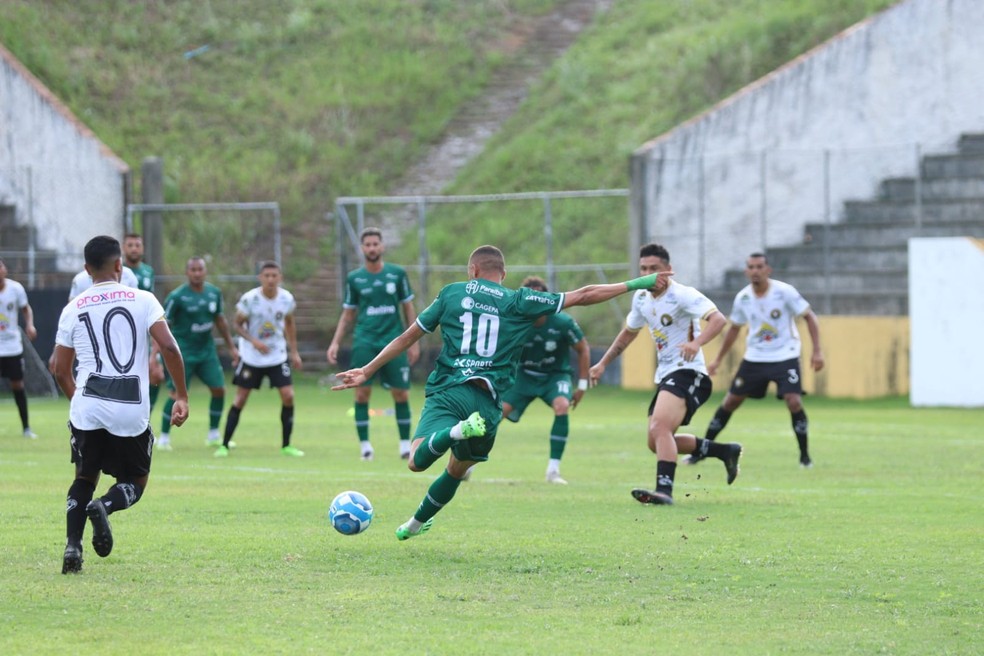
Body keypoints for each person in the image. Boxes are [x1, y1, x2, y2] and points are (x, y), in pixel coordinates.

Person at [332, 245, 671, 540]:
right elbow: (583, 295)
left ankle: (452, 432)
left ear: (472, 270)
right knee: (455, 470)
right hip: (488, 405)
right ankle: (415, 525)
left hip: (451, 389)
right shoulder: (519, 300)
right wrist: (639, 282)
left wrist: (367, 369)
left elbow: (408, 337)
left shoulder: (451, 293)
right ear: (503, 273)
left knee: (417, 460)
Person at [53, 235, 188, 574]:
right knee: (136, 480)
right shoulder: (143, 299)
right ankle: (106, 506)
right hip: (131, 407)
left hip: (89, 405)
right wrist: (181, 395)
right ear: (119, 265)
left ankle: (73, 546)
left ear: (86, 270)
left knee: (84, 476)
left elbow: (59, 368)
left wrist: (77, 403)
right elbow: (169, 348)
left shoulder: (73, 307)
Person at [588, 243, 741, 506]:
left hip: (689, 373)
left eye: (654, 269)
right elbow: (628, 333)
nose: (649, 274)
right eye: (644, 269)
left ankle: (664, 492)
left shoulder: (683, 295)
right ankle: (724, 451)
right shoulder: (641, 298)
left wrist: (696, 343)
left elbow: (718, 320)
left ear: (668, 271)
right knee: (655, 441)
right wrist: (602, 363)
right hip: (667, 374)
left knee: (659, 428)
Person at [688, 252, 824, 468]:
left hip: (785, 355)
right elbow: (734, 328)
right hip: (755, 358)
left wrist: (817, 351)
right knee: (731, 401)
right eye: (751, 267)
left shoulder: (784, 292)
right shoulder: (743, 297)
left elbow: (809, 317)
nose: (755, 271)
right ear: (746, 271)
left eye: (759, 267)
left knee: (793, 400)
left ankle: (805, 456)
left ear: (768, 270)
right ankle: (702, 451)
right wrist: (718, 360)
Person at [326, 227, 419, 461]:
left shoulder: (397, 274)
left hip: (394, 341)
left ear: (382, 246)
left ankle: (404, 446)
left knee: (401, 394)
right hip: (365, 342)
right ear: (362, 248)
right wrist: (335, 342)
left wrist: (414, 341)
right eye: (367, 245)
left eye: (375, 244)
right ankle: (365, 447)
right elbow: (348, 314)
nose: (372, 248)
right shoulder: (355, 278)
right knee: (361, 394)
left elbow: (408, 307)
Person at [500, 276, 591, 485]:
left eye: (539, 296)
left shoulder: (562, 322)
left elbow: (583, 348)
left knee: (562, 405)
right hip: (523, 376)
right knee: (497, 413)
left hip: (555, 375)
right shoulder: (514, 323)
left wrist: (582, 386)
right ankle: (468, 464)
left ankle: (553, 470)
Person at [215, 261, 303, 457]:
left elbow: (289, 324)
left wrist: (294, 351)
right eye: (267, 276)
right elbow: (237, 325)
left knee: (288, 395)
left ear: (280, 277)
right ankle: (224, 444)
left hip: (277, 355)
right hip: (252, 357)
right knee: (241, 398)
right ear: (260, 278)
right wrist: (253, 341)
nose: (271, 279)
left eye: (274, 275)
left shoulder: (286, 298)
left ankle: (286, 445)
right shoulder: (250, 299)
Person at [155, 257, 238, 450]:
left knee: (219, 389)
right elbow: (163, 325)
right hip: (183, 351)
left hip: (206, 350)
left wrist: (231, 347)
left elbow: (220, 321)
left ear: (205, 271)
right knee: (176, 393)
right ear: (187, 272)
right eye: (193, 270)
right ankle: (164, 437)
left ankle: (213, 435)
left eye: (200, 269)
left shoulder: (214, 293)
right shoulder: (177, 297)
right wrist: (156, 354)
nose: (197, 273)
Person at [122, 233, 164, 414]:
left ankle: (145, 416)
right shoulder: (119, 272)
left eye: (137, 245)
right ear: (123, 248)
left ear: (143, 248)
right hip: (124, 332)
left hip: (144, 331)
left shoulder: (148, 272)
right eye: (130, 245)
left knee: (156, 374)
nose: (134, 248)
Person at [0, 258, 39, 438]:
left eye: (1, 266)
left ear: (5, 269)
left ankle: (26, 428)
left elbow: (26, 308)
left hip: (11, 346)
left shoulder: (15, 288)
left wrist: (29, 325)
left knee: (17, 385)